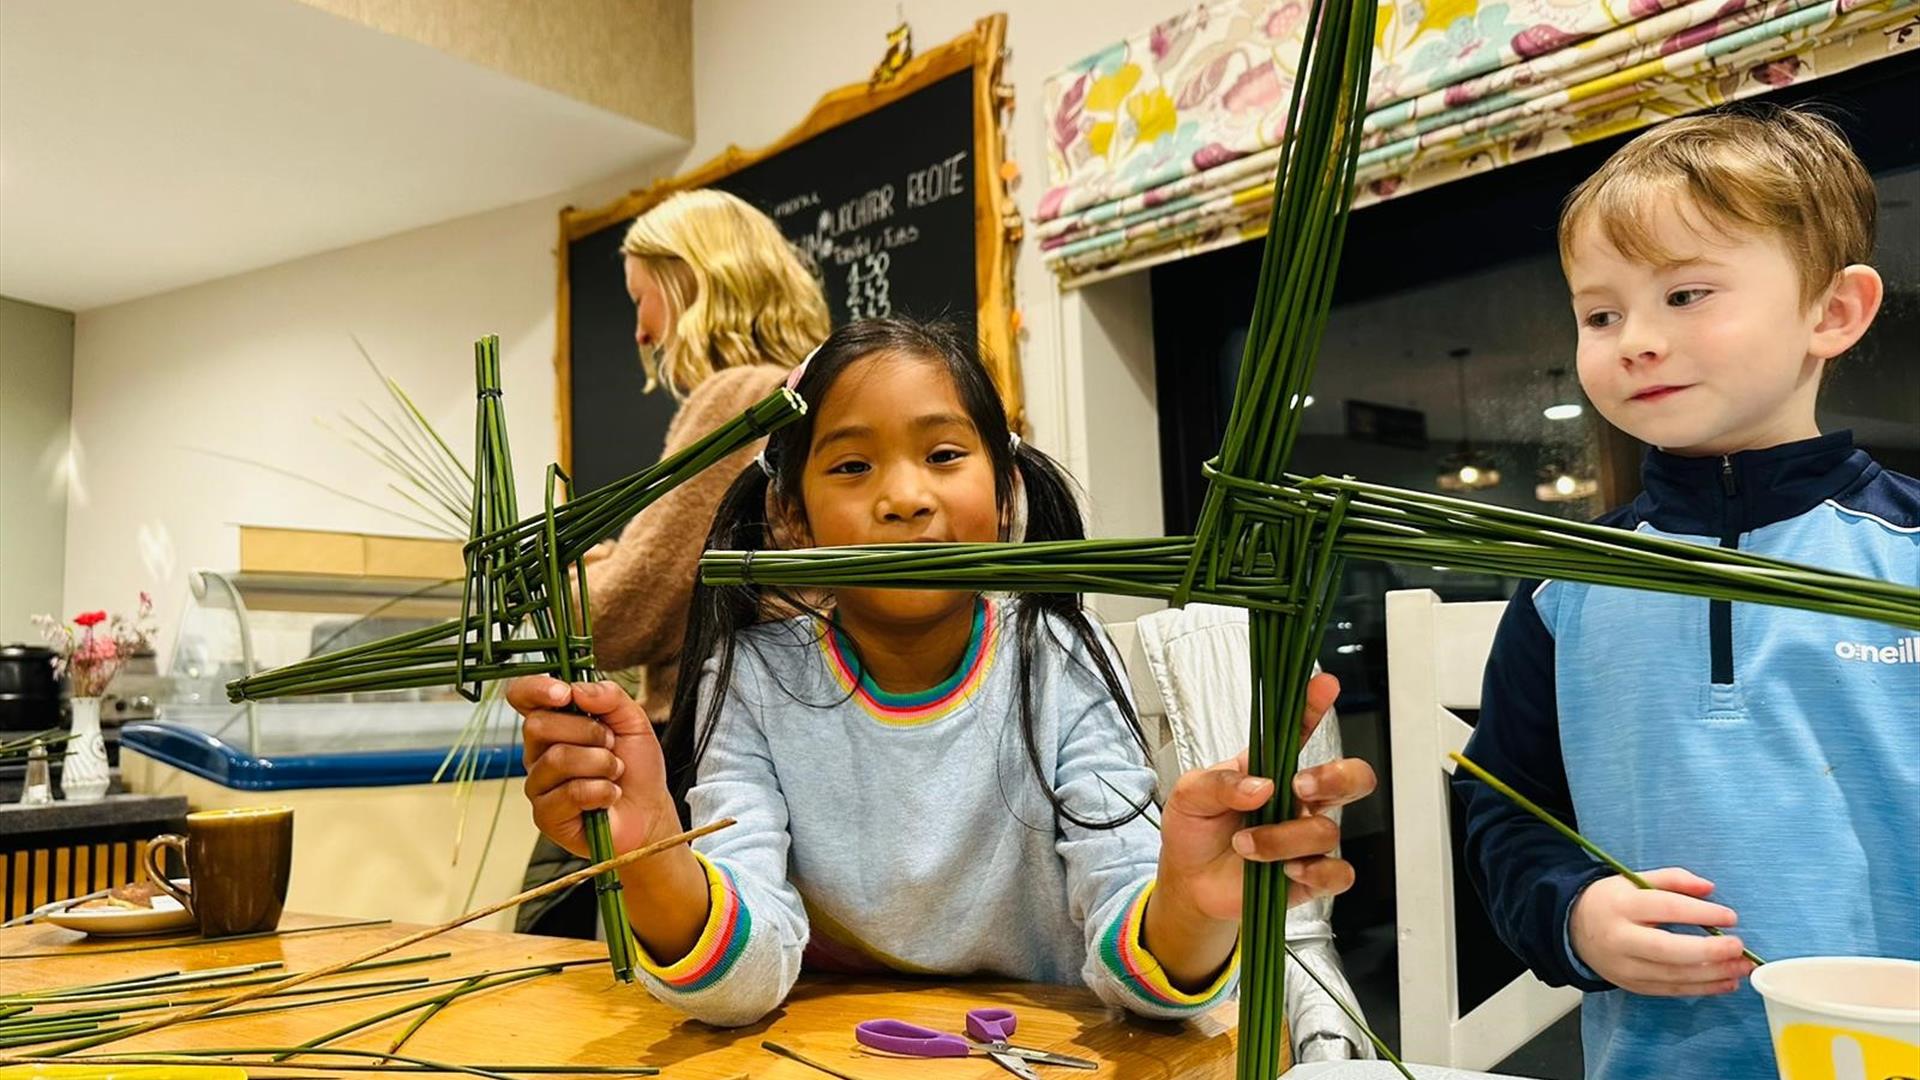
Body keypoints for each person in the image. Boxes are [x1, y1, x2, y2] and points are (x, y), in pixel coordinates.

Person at [511, 317, 1380, 1025]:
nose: (905, 498)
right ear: (790, 516)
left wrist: (1192, 906)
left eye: (944, 456)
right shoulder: (755, 678)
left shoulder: (1055, 659)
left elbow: (1135, 951)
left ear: (1005, 492)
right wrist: (654, 857)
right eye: (851, 466)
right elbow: (746, 975)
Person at [1456, 105, 1917, 1079]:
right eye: (1601, 314)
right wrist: (1574, 916)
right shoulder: (1562, 587)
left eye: (1687, 294)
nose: (1636, 342)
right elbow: (1504, 814)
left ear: (1833, 312)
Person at [517, 188, 831, 936]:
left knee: (593, 955)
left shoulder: (740, 399)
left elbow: (619, 612)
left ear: (692, 282)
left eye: (642, 298)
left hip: (703, 742)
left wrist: (566, 574)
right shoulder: (807, 393)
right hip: (796, 736)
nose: (640, 330)